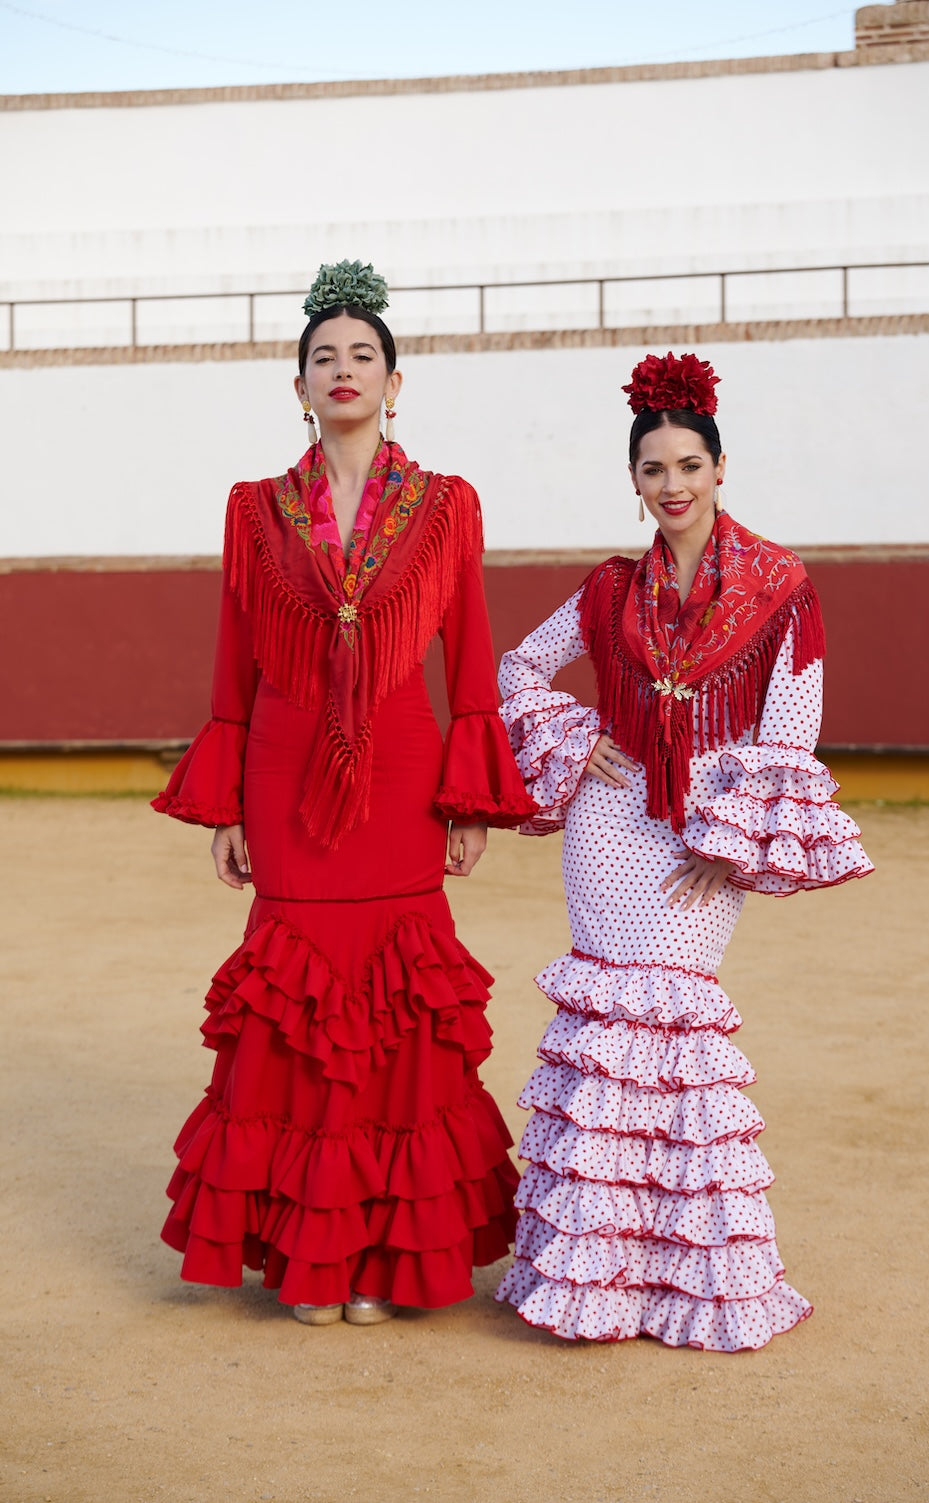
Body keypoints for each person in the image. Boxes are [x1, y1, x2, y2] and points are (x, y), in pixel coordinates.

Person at [153, 260, 535, 1327]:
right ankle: (306, 1259)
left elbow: (469, 653)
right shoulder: (258, 509)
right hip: (282, 770)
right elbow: (234, 659)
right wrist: (225, 800)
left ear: (395, 383)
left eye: (362, 355)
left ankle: (382, 1261)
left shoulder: (446, 505)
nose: (343, 370)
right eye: (323, 357)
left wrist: (468, 798)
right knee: (294, 1004)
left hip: (405, 770)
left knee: (397, 1005)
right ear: (299, 386)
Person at [494, 351, 873, 1350]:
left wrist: (735, 842)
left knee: (677, 1044)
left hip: (702, 837)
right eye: (653, 469)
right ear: (632, 482)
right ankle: (594, 1282)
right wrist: (584, 739)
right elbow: (516, 667)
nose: (671, 485)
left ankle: (690, 1284)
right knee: (608, 1026)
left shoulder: (780, 585)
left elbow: (791, 727)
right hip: (608, 827)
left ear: (718, 470)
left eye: (688, 466)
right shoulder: (607, 589)